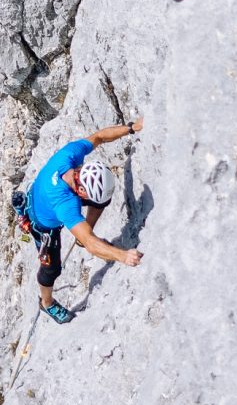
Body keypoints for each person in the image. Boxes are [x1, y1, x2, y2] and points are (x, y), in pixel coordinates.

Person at [17, 118, 144, 324]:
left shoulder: (70, 155)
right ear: (81, 189)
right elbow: (91, 245)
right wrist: (122, 256)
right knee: (51, 268)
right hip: (42, 224)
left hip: (41, 196)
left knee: (100, 203)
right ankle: (47, 303)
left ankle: (86, 230)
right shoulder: (65, 204)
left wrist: (130, 128)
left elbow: (99, 137)